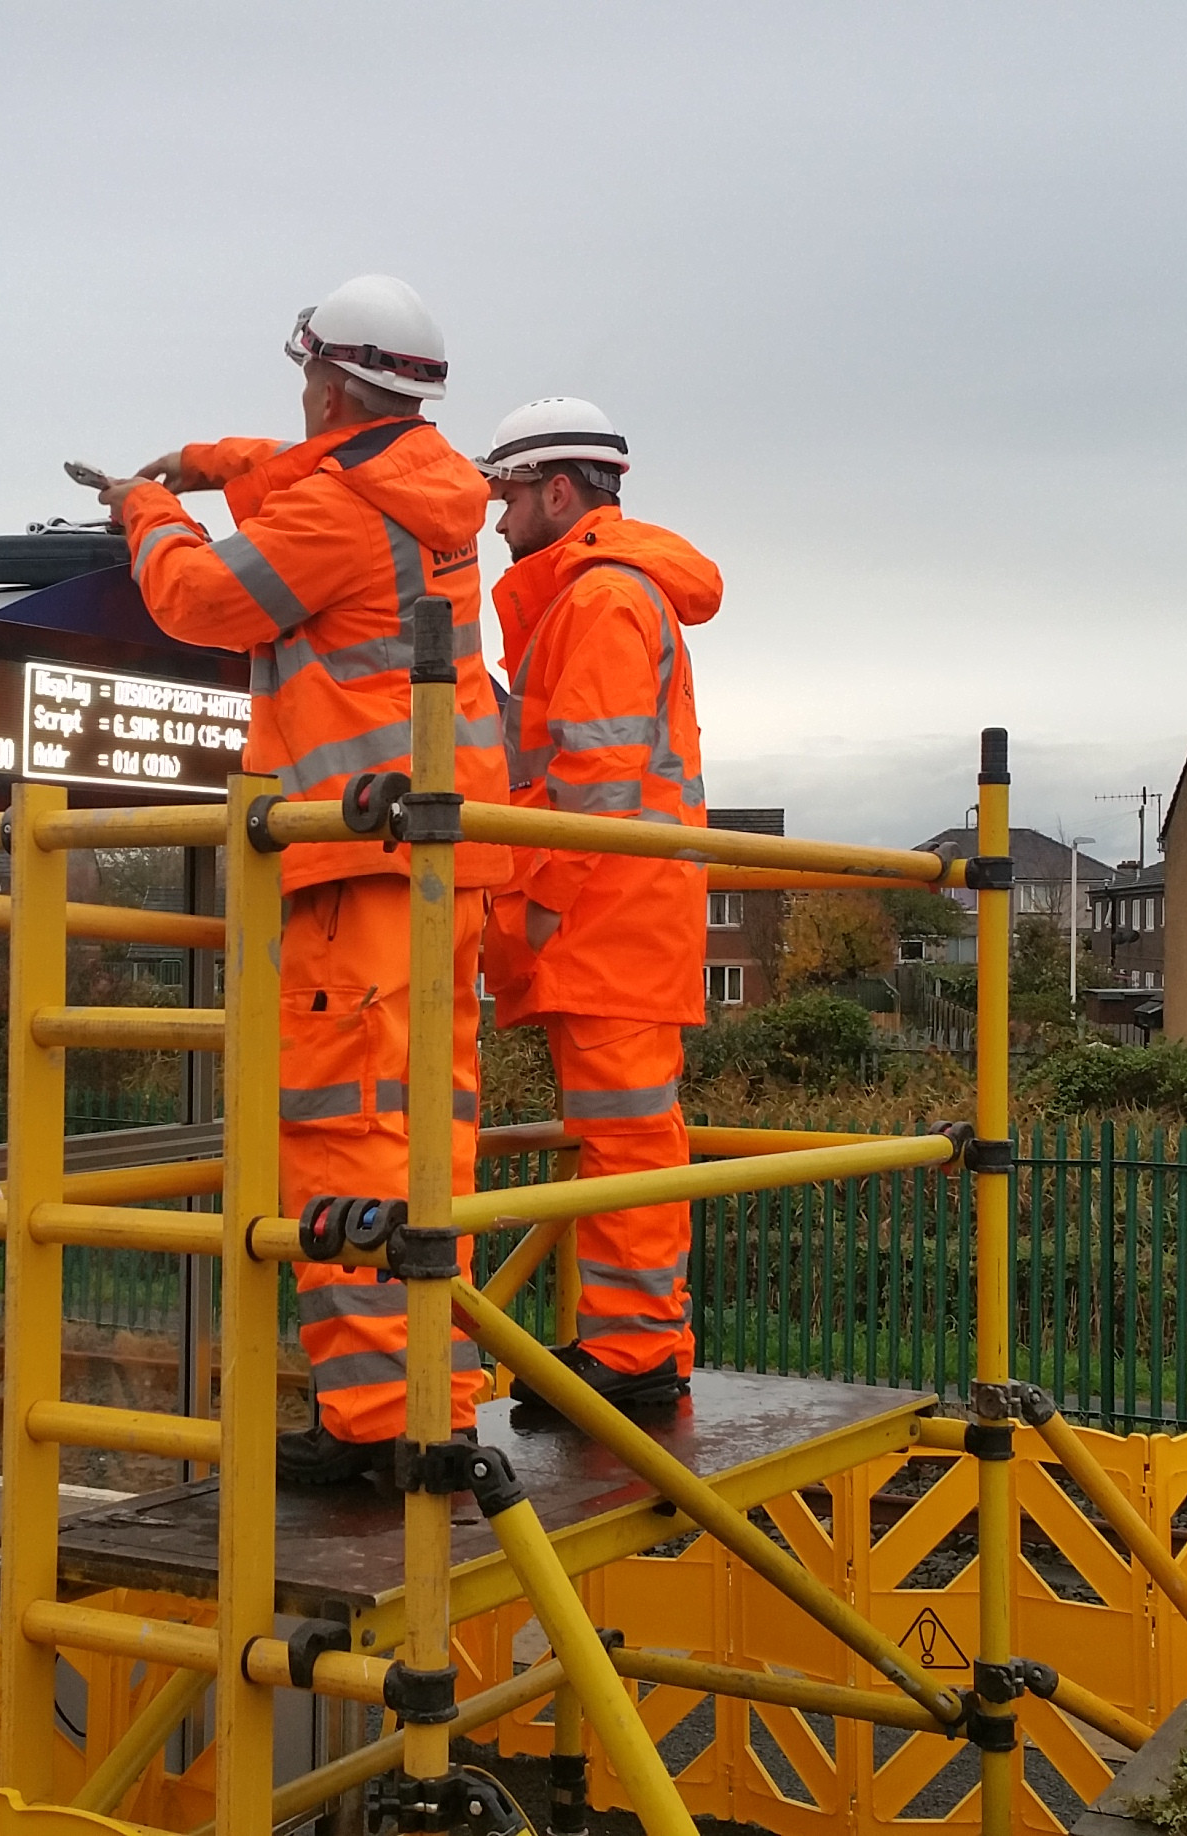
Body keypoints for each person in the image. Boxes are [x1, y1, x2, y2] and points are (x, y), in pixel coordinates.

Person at [86, 275, 515, 1484]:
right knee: (424, 1137)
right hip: (431, 864)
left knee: (350, 1144)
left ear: (332, 381)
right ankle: (423, 1397)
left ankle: (382, 1431)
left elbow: (200, 601)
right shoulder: (419, 490)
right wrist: (211, 464)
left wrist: (147, 511)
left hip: (352, 861)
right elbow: (313, 469)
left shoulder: (337, 514)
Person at [473, 397, 722, 1420]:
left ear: (559, 492)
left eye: (509, 495)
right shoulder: (599, 596)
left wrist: (534, 913)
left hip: (605, 918)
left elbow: (595, 791)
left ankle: (637, 1353)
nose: (496, 519)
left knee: (625, 1139)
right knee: (624, 1135)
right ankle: (632, 1343)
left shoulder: (601, 600)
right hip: (623, 917)